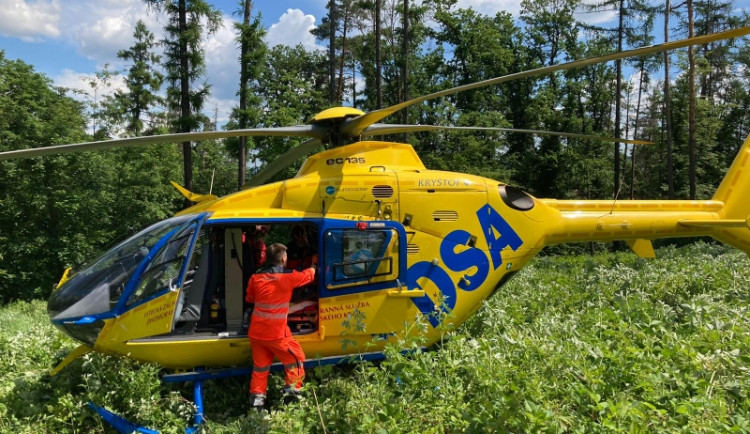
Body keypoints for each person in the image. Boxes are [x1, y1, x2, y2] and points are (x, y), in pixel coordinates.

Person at [245, 242, 316, 411]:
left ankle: (257, 406)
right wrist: (314, 264)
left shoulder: (255, 277)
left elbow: (250, 299)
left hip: (256, 333)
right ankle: (291, 399)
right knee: (296, 359)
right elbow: (309, 275)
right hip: (276, 333)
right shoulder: (288, 277)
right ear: (284, 259)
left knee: (260, 368)